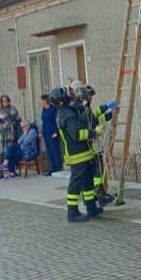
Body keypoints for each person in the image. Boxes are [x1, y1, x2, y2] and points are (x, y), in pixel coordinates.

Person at [54, 88, 102, 222]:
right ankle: (72, 212)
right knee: (75, 184)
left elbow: (83, 112)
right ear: (63, 100)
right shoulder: (67, 116)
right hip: (77, 155)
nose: (72, 96)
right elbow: (77, 134)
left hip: (84, 153)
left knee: (88, 183)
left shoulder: (68, 111)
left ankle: (91, 208)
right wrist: (95, 133)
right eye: (69, 95)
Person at [0, 95, 21, 164]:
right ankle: (1, 171)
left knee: (14, 150)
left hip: (16, 132)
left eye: (6, 100)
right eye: (3, 101)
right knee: (5, 151)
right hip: (6, 134)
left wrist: (18, 119)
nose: (5, 102)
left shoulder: (13, 108)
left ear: (9, 101)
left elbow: (18, 118)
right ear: (1, 102)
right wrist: (3, 129)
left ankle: (12, 169)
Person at [41, 93, 63, 177]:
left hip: (53, 133)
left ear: (46, 101)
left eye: (42, 100)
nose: (41, 102)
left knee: (55, 151)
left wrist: (56, 132)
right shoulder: (44, 109)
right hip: (46, 133)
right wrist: (42, 132)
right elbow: (44, 122)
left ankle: (58, 168)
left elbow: (56, 121)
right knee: (49, 151)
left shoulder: (53, 109)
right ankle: (52, 169)